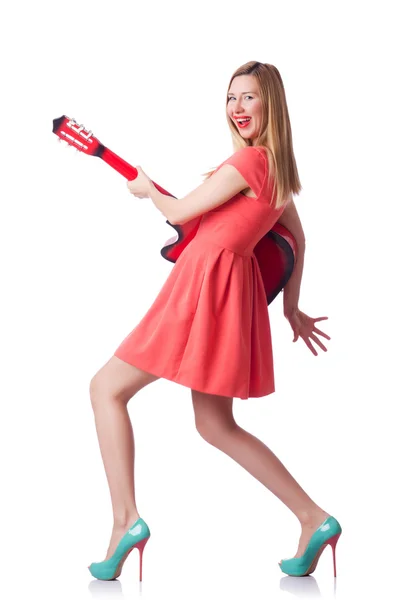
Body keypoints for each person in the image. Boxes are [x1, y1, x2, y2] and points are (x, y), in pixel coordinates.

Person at [88, 61, 342, 581]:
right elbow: (297, 237)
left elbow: (180, 213)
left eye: (249, 97)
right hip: (229, 292)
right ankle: (313, 518)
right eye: (231, 98)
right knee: (215, 425)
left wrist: (146, 191)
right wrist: (291, 305)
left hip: (203, 288)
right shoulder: (278, 169)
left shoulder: (249, 161)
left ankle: (125, 521)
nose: (238, 108)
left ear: (272, 102)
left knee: (105, 388)